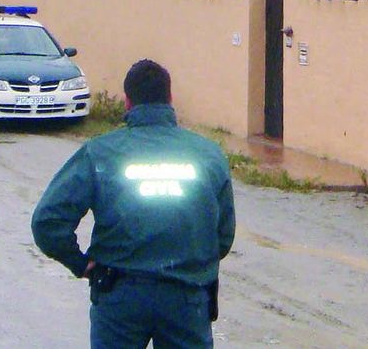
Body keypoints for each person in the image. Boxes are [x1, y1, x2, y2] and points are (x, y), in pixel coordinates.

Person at [32, 59, 235, 349]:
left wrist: (80, 263)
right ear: (170, 99)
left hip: (119, 295)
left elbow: (47, 223)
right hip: (186, 297)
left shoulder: (99, 153)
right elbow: (223, 237)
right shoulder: (209, 155)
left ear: (128, 102)